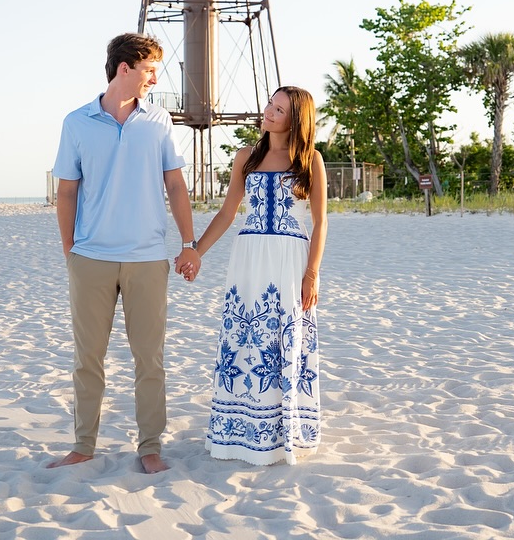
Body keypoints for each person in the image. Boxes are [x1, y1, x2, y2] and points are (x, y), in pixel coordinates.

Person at [48, 33, 198, 474]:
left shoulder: (160, 121)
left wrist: (189, 243)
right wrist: (70, 251)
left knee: (149, 360)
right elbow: (67, 192)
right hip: (91, 258)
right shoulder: (76, 123)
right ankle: (83, 445)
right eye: (150, 69)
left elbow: (175, 185)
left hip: (148, 258)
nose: (155, 78)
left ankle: (150, 447)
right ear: (125, 68)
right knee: (87, 358)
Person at [185, 86, 328, 465]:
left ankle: (284, 432)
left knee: (284, 339)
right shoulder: (245, 156)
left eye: (278, 110)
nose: (268, 112)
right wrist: (196, 251)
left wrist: (311, 274)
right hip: (247, 259)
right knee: (246, 338)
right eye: (269, 104)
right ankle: (239, 431)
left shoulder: (311, 160)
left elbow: (320, 222)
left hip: (289, 259)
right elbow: (228, 212)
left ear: (295, 119)